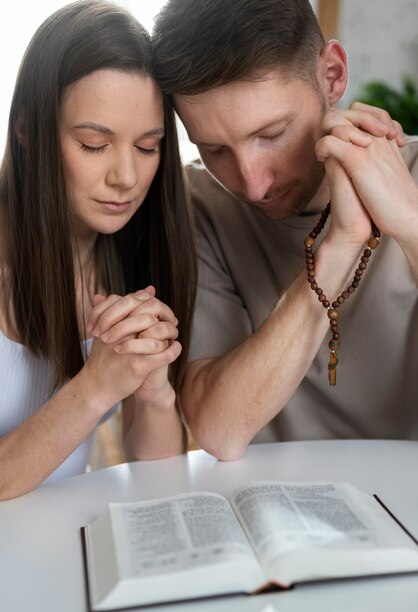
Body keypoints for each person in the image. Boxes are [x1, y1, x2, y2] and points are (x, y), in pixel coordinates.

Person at [152, 0, 418, 460]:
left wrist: (411, 225)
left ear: (332, 75)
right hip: (277, 512)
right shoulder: (198, 209)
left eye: (272, 133)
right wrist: (340, 246)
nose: (253, 184)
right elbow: (219, 430)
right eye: (214, 149)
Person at [0, 0, 196, 500]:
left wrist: (152, 391)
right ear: (26, 128)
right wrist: (95, 387)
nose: (126, 178)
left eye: (148, 146)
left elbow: (161, 484)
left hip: (65, 554)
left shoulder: (134, 255)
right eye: (93, 144)